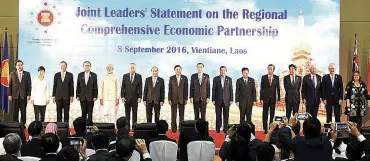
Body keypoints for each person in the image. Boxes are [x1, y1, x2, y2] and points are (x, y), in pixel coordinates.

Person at [9, 60, 31, 125]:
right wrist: (9, 95)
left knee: (23, 112)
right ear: (16, 66)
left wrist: (29, 94)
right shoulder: (12, 74)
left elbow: (29, 85)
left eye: (21, 65)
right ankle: (15, 125)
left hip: (23, 96)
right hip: (15, 96)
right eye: (18, 65)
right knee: (15, 112)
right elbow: (10, 85)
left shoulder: (27, 74)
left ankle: (22, 126)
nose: (20, 66)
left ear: (22, 65)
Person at [121, 63, 142, 130]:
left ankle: (134, 127)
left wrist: (140, 97)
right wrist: (122, 96)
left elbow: (140, 88)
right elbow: (123, 87)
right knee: (127, 114)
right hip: (126, 98)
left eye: (133, 67)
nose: (132, 69)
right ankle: (127, 127)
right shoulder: (125, 76)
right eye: (131, 67)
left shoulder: (139, 76)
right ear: (129, 68)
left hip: (135, 99)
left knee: (134, 114)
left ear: (135, 68)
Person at [260, 64, 280, 134]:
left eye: (271, 69)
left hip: (273, 99)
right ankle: (265, 129)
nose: (270, 70)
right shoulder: (263, 77)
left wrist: (279, 99)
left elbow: (278, 89)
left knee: (272, 114)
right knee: (265, 114)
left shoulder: (276, 78)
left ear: (273, 70)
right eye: (269, 69)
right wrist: (261, 99)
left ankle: (270, 129)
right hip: (265, 99)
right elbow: (261, 89)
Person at [212, 66, 233, 133]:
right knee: (218, 115)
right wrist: (213, 99)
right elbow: (213, 89)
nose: (223, 72)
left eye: (224, 70)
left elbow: (231, 90)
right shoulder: (216, 79)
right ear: (219, 71)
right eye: (221, 70)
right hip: (218, 100)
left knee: (226, 116)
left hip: (227, 100)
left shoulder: (229, 79)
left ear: (226, 71)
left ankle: (225, 129)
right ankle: (218, 129)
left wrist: (231, 99)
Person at [168, 65, 188, 133]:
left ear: (181, 70)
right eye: (177, 69)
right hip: (173, 99)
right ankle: (174, 129)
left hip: (182, 99)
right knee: (173, 115)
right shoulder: (171, 78)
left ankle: (181, 129)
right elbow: (170, 89)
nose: (178, 70)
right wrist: (169, 99)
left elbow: (186, 89)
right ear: (175, 70)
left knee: (181, 115)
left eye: (179, 69)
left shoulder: (184, 78)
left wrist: (186, 99)